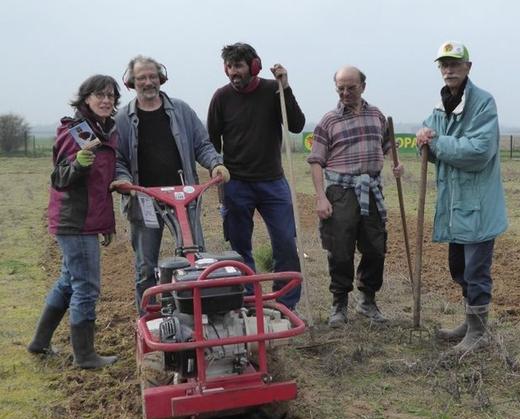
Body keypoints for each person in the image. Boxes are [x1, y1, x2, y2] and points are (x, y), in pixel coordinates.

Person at [111, 56, 229, 314]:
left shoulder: (181, 111)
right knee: (145, 267)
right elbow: (118, 159)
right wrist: (124, 180)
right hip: (144, 199)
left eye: (152, 76)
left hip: (183, 198)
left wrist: (215, 164)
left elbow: (202, 145)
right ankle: (149, 319)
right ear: (132, 82)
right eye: (141, 77)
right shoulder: (122, 119)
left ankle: (197, 316)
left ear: (161, 78)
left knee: (195, 259)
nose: (148, 81)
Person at [416, 41, 508, 353]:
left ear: (468, 67)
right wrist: (423, 140)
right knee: (459, 268)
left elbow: (478, 152)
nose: (449, 69)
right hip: (454, 205)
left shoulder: (483, 103)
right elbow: (432, 142)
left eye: (455, 64)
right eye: (444, 64)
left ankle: (479, 334)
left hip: (478, 204)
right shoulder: (441, 107)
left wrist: (436, 142)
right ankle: (470, 323)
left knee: (476, 271)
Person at [28, 75, 121, 369]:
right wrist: (77, 164)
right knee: (86, 287)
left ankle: (40, 342)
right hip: (75, 222)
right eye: (99, 95)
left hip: (84, 220)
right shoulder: (81, 131)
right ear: (86, 100)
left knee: (68, 282)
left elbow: (99, 186)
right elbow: (59, 178)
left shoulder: (104, 130)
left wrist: (106, 223)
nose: (106, 100)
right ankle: (85, 355)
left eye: (110, 96)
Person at [207, 42, 305, 310]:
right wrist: (217, 173)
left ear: (254, 66)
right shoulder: (221, 97)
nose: (233, 72)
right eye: (229, 67)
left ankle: (285, 304)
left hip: (273, 182)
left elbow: (296, 125)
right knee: (239, 249)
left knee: (285, 242)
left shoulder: (273, 91)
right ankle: (248, 302)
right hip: (236, 184)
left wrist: (285, 87)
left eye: (238, 66)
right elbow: (211, 142)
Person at [308, 66, 404, 327]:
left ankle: (368, 301)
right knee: (339, 249)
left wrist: (397, 164)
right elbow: (316, 161)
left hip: (371, 190)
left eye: (351, 87)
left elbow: (387, 146)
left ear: (363, 85)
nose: (345, 92)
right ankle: (339, 304)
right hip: (340, 193)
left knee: (376, 247)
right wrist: (320, 197)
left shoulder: (376, 116)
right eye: (340, 88)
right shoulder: (328, 121)